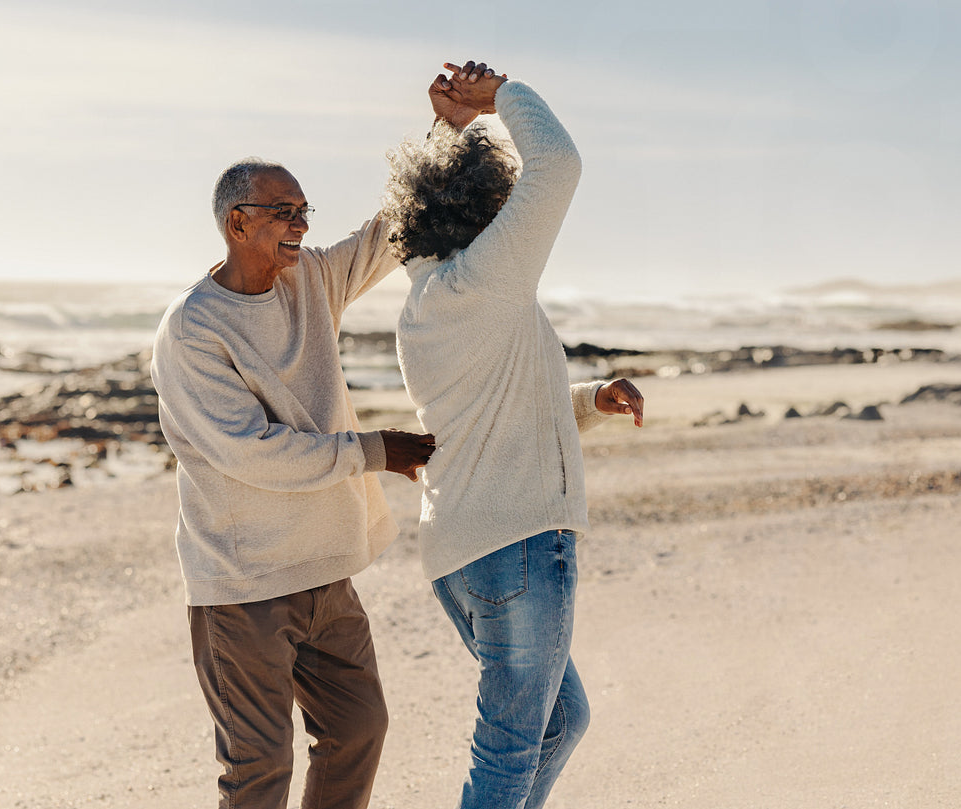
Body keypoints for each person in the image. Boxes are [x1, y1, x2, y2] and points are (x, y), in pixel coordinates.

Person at [148, 62, 483, 807]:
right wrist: (375, 452)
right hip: (243, 585)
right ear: (237, 222)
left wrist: (446, 130)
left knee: (359, 729)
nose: (301, 224)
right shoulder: (193, 329)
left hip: (325, 574)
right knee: (259, 769)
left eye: (304, 210)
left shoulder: (310, 281)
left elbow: (386, 234)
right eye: (283, 211)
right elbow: (249, 452)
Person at [384, 63, 646, 809]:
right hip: (516, 547)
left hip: (462, 554)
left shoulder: (428, 295)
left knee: (561, 721)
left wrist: (588, 401)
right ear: (487, 207)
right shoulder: (487, 282)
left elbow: (501, 408)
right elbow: (558, 164)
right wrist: (500, 97)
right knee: (505, 755)